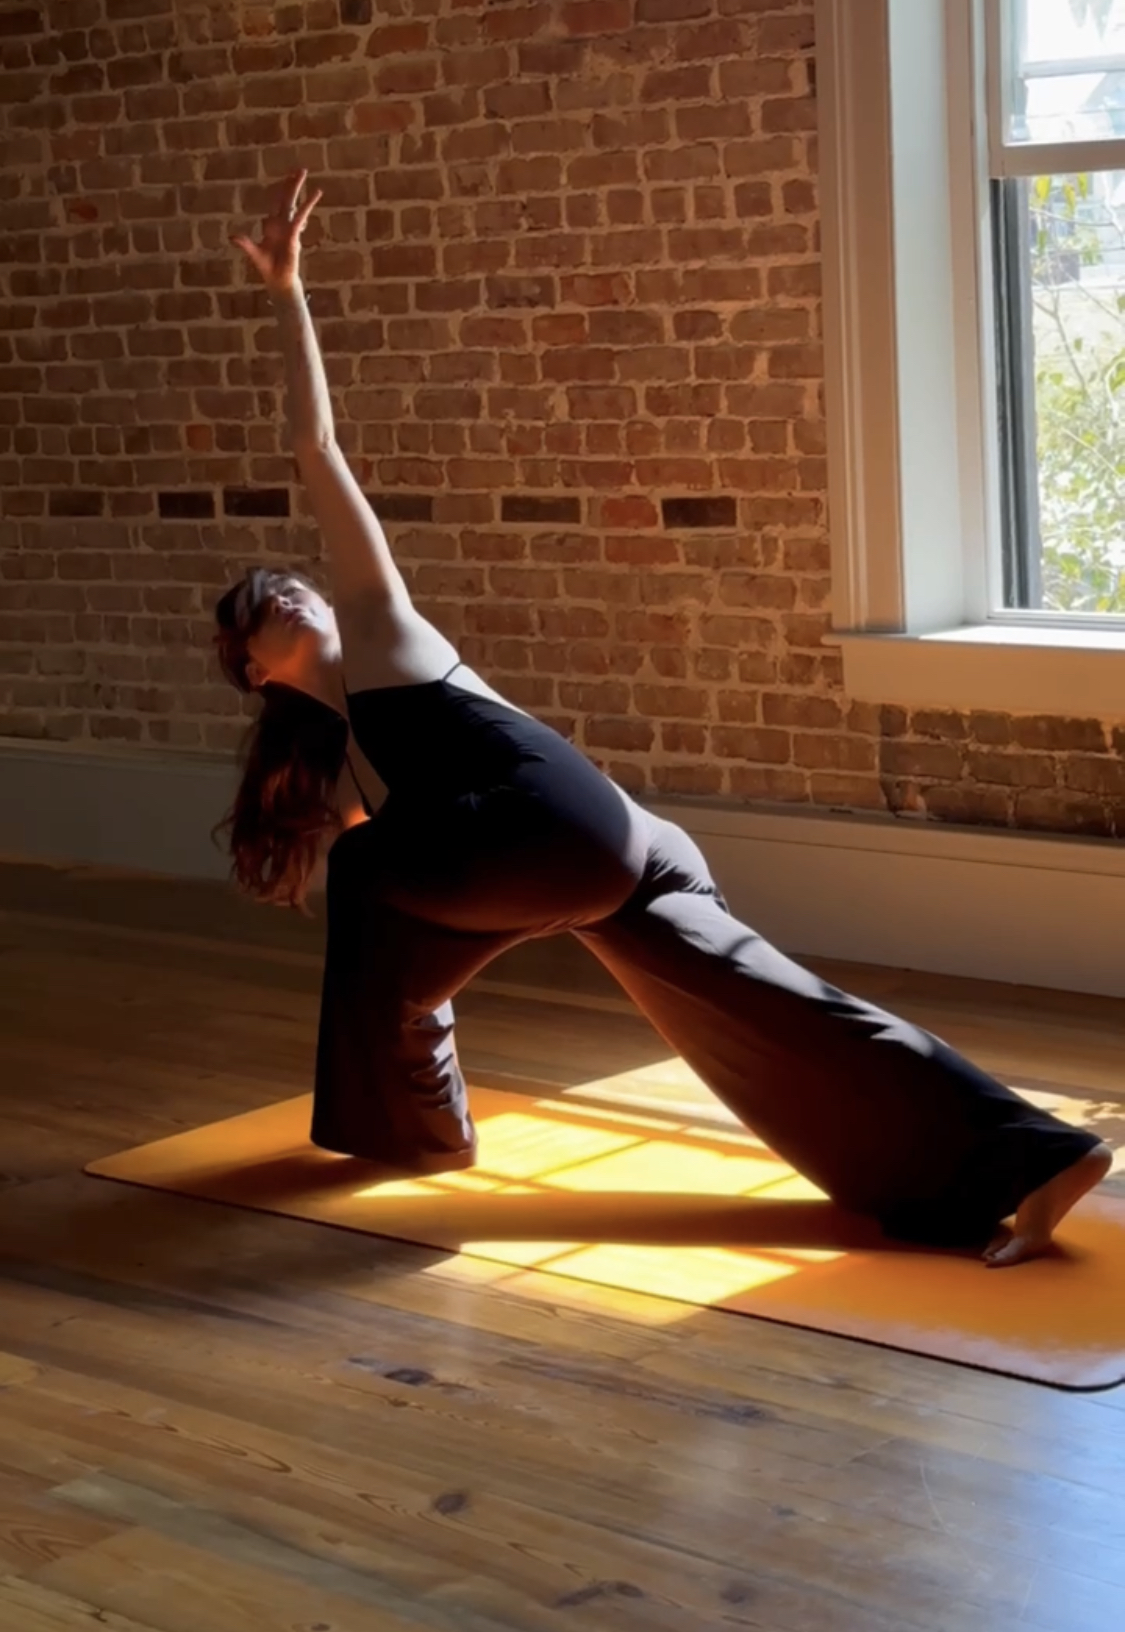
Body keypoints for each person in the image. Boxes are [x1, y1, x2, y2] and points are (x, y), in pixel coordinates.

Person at [214, 169, 1111, 1269]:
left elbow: (318, 453)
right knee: (777, 1016)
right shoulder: (351, 772)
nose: (287, 594)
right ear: (255, 673)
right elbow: (391, 950)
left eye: (288, 580)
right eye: (261, 609)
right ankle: (1026, 1157)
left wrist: (288, 295)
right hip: (624, 850)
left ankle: (409, 1130)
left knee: (365, 878)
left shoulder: (383, 632)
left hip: (560, 834)